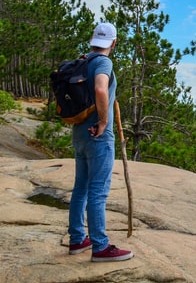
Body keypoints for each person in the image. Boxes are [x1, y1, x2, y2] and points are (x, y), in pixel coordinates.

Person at [67, 22, 134, 262]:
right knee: (97, 192)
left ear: (93, 40)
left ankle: (77, 240)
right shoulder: (103, 62)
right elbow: (101, 89)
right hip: (98, 134)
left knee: (81, 188)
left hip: (80, 133)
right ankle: (100, 247)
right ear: (114, 43)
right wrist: (104, 121)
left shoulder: (83, 61)